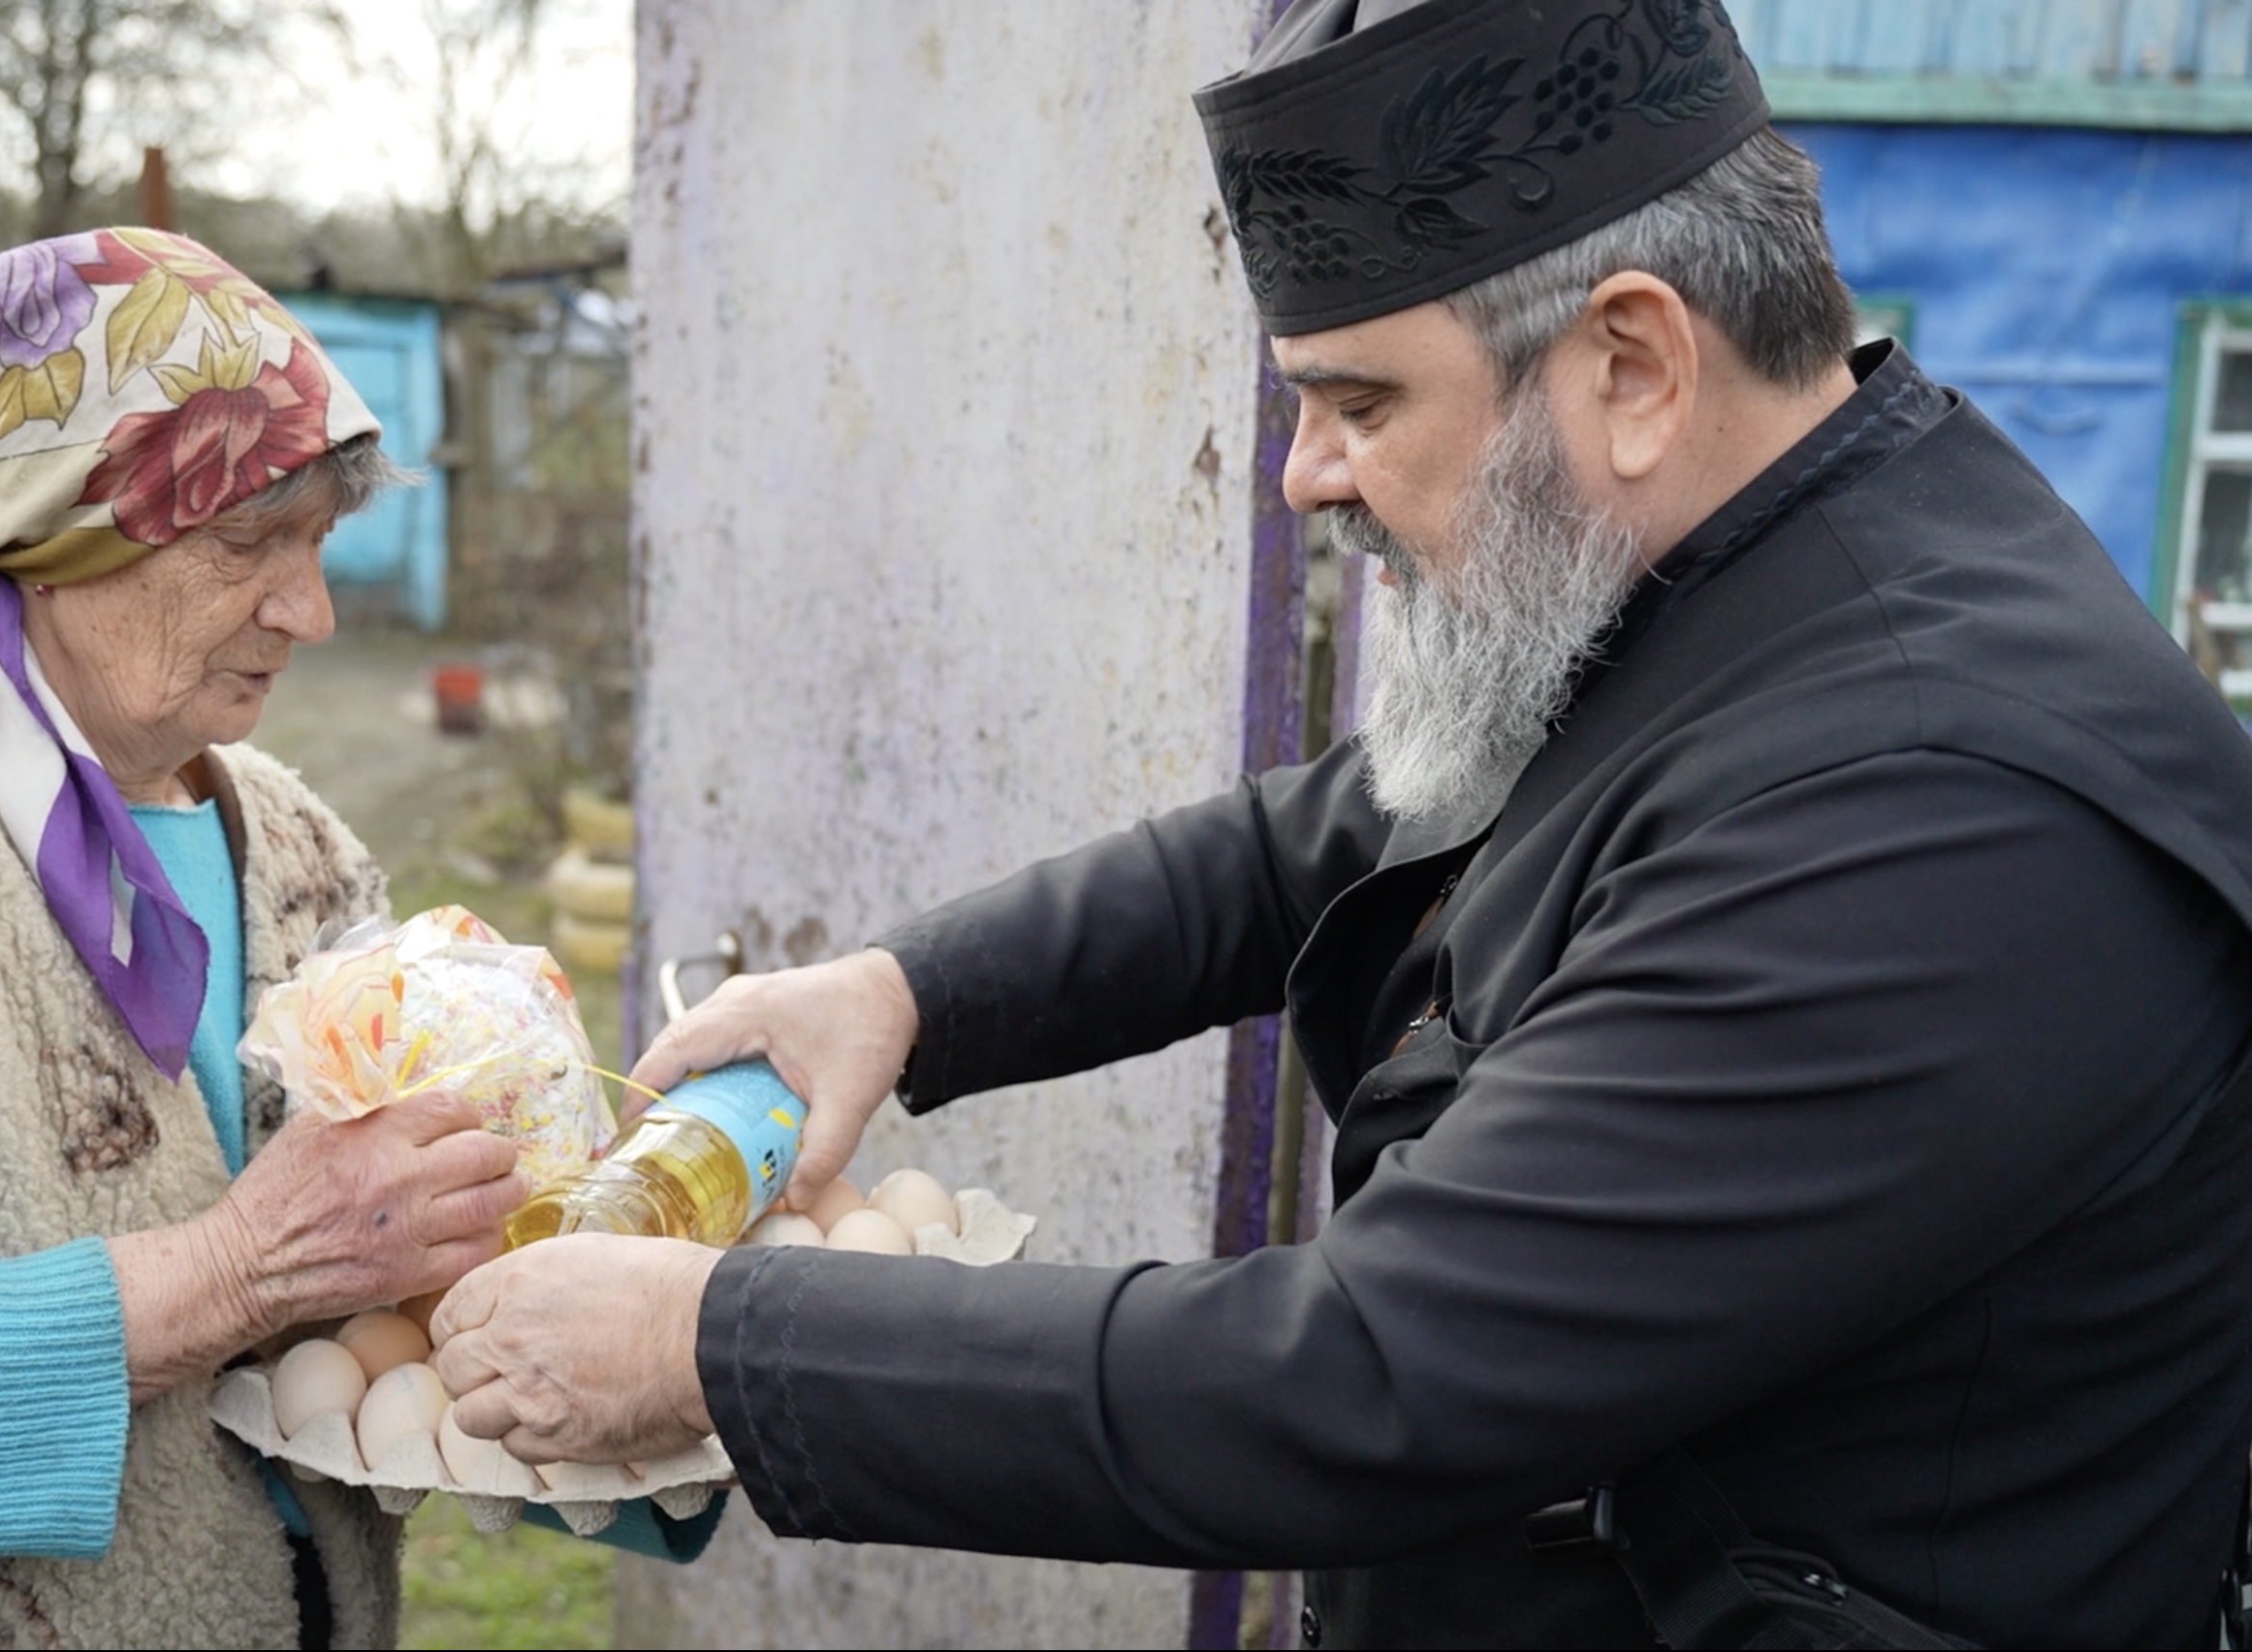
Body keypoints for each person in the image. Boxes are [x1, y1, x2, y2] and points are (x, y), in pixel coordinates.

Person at [428, 2, 2252, 1645]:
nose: (1305, 477)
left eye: (1359, 402)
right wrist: (906, 995)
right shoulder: (1749, 557)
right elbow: (1355, 824)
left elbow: (1374, 1376)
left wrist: (707, 1345)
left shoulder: (1932, 817)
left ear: (1634, 362)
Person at [0, 229, 709, 1652]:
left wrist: (665, 1332)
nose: (312, 611)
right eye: (247, 542)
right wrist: (232, 1272)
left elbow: (383, 1357)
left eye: (317, 543)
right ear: (47, 537)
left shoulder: (294, 849)